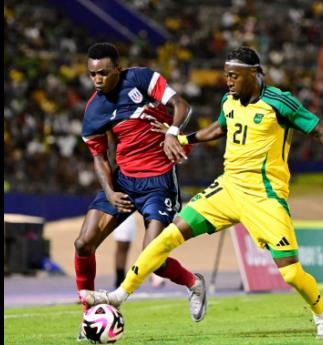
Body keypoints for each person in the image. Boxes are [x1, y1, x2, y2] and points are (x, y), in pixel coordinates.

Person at [81, 46, 323, 339]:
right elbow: (218, 129)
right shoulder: (229, 100)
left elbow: (321, 130)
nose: (228, 81)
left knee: (290, 272)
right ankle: (119, 296)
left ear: (252, 74)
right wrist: (180, 137)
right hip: (227, 188)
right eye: (226, 75)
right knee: (168, 237)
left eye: (234, 76)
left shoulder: (279, 103)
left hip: (264, 196)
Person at [74, 42, 207, 340]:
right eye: (92, 74)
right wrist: (109, 192)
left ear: (118, 70)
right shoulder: (94, 110)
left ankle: (193, 283)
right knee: (83, 243)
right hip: (123, 181)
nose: (97, 80)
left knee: (155, 260)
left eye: (103, 73)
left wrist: (173, 132)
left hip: (158, 181)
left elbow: (182, 105)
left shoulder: (142, 79)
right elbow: (98, 156)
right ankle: (89, 315)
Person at [113, 211, 166, 289]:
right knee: (123, 244)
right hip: (127, 207)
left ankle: (156, 272)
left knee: (154, 240)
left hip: (150, 206)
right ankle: (120, 280)